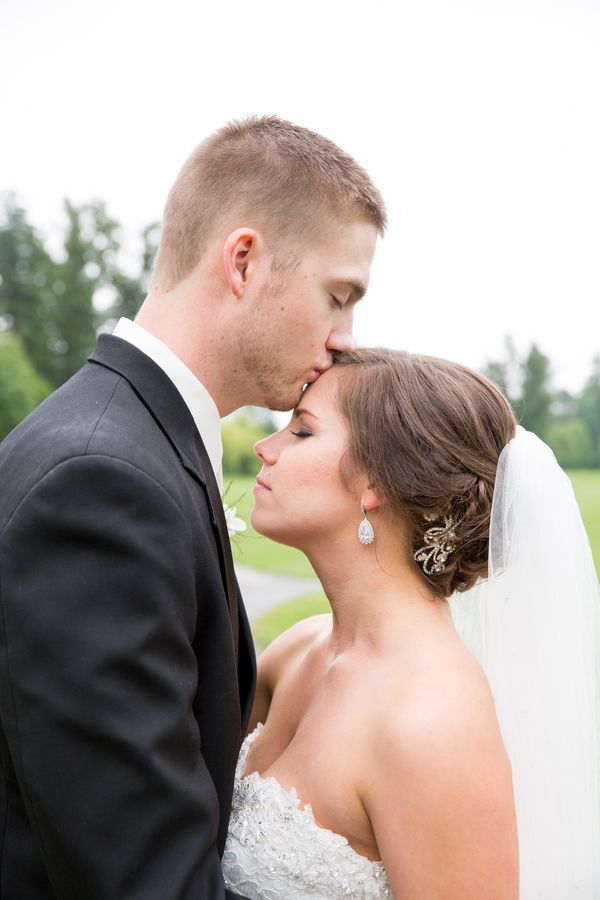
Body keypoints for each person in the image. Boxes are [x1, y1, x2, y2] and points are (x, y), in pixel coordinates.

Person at [0, 116, 384, 899]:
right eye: (338, 296)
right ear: (242, 261)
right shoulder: (104, 483)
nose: (346, 338)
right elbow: (143, 880)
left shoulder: (123, 442)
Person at [222, 349, 600, 900]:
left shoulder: (432, 725)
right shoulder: (297, 648)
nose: (264, 447)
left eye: (302, 431)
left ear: (376, 482)